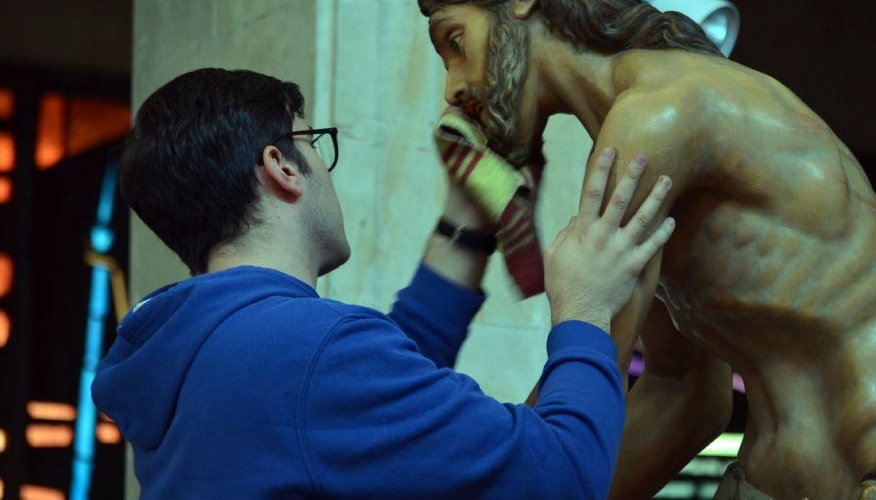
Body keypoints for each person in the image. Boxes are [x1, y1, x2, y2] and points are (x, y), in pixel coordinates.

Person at [417, 0, 876, 500]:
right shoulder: (637, 133)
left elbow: (587, 370)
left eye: (456, 43)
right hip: (773, 476)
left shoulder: (661, 114)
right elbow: (685, 393)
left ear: (524, 0)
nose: (453, 87)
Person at [91, 68, 675, 499]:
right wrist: (584, 310)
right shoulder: (308, 352)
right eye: (312, 142)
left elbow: (382, 388)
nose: (323, 165)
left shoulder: (197, 347)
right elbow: (562, 478)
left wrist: (466, 222)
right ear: (283, 167)